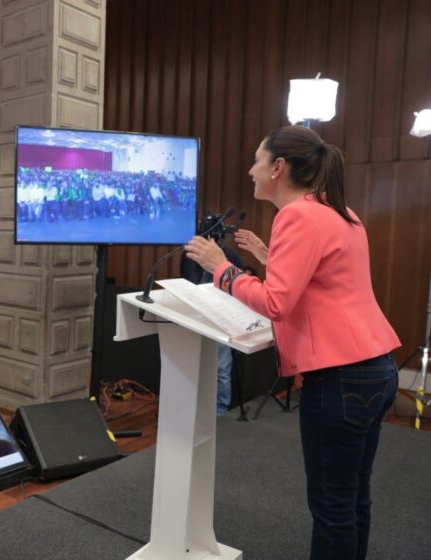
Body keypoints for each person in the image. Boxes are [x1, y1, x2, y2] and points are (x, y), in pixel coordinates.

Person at [184, 125, 400, 560]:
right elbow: (327, 282)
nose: (250, 171)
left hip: (339, 380)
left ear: (278, 168)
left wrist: (221, 268)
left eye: (257, 161)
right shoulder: (341, 212)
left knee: (332, 508)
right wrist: (269, 257)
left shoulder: (296, 216)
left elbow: (277, 303)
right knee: (353, 498)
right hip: (376, 370)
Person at [180, 212, 250, 416]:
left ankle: (219, 411)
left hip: (222, 316)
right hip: (196, 314)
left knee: (220, 368)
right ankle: (193, 408)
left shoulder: (229, 254)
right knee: (194, 366)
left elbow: (240, 279)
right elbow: (186, 279)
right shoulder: (189, 254)